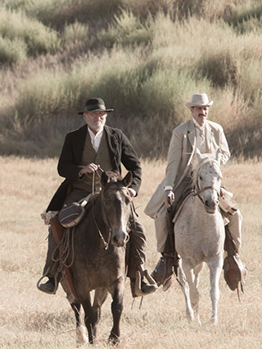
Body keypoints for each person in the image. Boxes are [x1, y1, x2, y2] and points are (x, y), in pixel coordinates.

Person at [38, 97, 158, 297]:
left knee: (138, 228)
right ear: (85, 117)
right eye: (93, 114)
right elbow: (62, 168)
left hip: (113, 193)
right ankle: (52, 275)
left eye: (101, 114)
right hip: (80, 190)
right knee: (58, 222)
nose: (98, 117)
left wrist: (133, 190)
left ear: (106, 116)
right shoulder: (73, 137)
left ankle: (139, 276)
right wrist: (81, 169)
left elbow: (135, 166)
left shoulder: (117, 136)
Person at [144, 93, 243, 287]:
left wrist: (212, 163)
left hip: (209, 180)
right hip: (185, 180)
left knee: (235, 214)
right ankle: (166, 258)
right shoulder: (180, 132)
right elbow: (173, 162)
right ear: (192, 110)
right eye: (198, 108)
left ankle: (234, 256)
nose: (202, 112)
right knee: (162, 214)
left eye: (205, 108)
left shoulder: (217, 129)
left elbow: (225, 152)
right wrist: (169, 187)